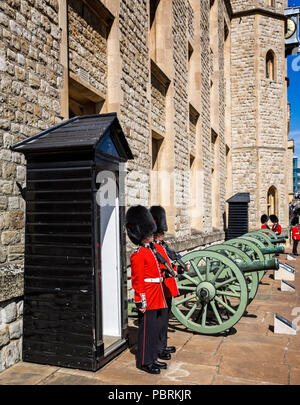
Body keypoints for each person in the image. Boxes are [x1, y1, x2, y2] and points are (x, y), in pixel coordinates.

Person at [125, 205, 169, 374]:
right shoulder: (138, 254)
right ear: (141, 233)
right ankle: (145, 361)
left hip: (157, 294)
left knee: (156, 329)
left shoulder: (150, 251)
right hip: (148, 296)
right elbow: (137, 281)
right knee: (147, 332)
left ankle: (154, 357)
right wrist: (140, 300)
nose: (152, 234)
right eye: (149, 232)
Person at [149, 205, 179, 360]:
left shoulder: (162, 246)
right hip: (160, 287)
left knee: (165, 319)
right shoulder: (153, 247)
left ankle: (163, 345)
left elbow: (171, 258)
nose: (163, 234)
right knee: (160, 320)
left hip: (167, 287)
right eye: (161, 232)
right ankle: (158, 348)